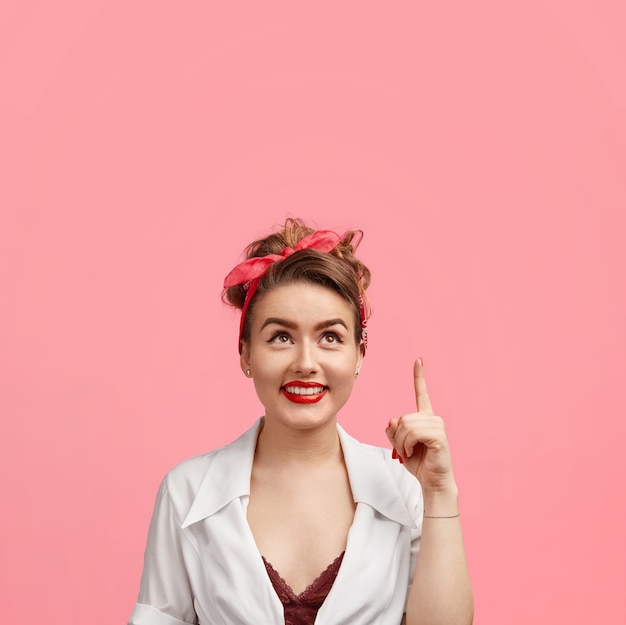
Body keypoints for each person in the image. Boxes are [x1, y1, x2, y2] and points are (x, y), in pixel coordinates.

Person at [128, 218, 473, 625]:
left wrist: (439, 492)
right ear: (245, 354)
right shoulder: (186, 492)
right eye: (280, 337)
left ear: (359, 355)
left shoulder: (406, 490)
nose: (306, 364)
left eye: (330, 337)